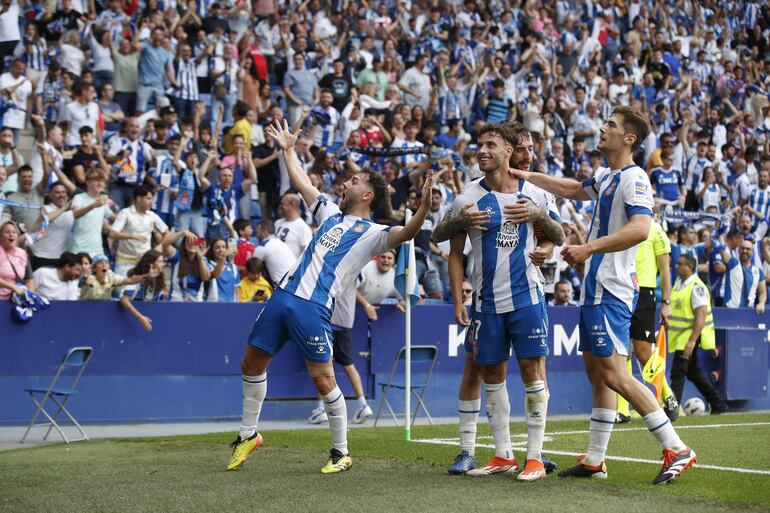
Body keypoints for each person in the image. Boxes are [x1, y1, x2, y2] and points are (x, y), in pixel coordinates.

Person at [227, 120, 435, 474]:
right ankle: (248, 435)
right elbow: (303, 182)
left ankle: (341, 452)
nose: (346, 182)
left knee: (324, 379)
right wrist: (288, 149)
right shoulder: (328, 213)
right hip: (282, 297)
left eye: (354, 181)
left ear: (367, 195)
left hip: (313, 307)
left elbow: (407, 232)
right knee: (250, 363)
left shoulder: (374, 233)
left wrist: (424, 208)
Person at [509, 106, 696, 485]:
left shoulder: (635, 177)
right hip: (597, 288)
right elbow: (572, 189)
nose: (603, 128)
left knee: (615, 374)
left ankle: (676, 447)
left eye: (611, 125)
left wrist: (589, 249)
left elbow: (642, 228)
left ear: (629, 138)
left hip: (612, 289)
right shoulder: (608, 176)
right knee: (598, 373)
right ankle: (595, 459)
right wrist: (526, 175)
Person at [433, 122, 564, 481]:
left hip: (527, 297)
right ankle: (503, 454)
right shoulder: (467, 197)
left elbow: (559, 234)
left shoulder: (535, 192)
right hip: (486, 303)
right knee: (491, 375)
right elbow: (449, 247)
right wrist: (459, 295)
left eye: (490, 144)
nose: (482, 149)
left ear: (508, 152)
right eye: (480, 144)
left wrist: (538, 219)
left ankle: (534, 458)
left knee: (532, 373)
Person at [615, 220, 678, 424]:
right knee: (622, 349)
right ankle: (623, 409)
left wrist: (666, 302)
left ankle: (667, 396)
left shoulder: (656, 229)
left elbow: (665, 270)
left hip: (644, 292)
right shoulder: (620, 223)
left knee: (643, 352)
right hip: (620, 289)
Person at [668, 254, 728, 414]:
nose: (676, 266)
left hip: (689, 338)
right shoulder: (678, 283)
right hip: (681, 337)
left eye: (679, 263)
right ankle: (718, 403)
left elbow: (701, 316)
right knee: (693, 372)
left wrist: (692, 341)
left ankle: (672, 409)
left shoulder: (697, 287)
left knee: (678, 372)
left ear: (690, 267)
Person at [307, 284, 374, 426]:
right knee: (348, 365)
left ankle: (322, 409)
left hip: (328, 320)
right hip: (344, 321)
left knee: (323, 365)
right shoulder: (354, 267)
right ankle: (362, 404)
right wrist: (366, 304)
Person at [120, 250, 168, 331]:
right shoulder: (136, 278)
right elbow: (124, 300)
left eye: (163, 262)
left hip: (149, 320)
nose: (163, 264)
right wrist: (140, 317)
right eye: (160, 262)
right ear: (151, 264)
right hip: (130, 319)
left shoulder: (160, 279)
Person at [79, 254, 155, 300]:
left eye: (106, 263)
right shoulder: (90, 278)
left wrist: (146, 276)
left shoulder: (112, 278)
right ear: (94, 268)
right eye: (100, 263)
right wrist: (85, 277)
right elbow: (85, 281)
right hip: (84, 308)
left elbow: (130, 280)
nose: (104, 265)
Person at [720, 240, 767, 314]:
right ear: (738, 250)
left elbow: (762, 292)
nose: (745, 251)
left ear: (752, 252)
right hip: (730, 310)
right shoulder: (733, 263)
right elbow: (721, 251)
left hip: (748, 311)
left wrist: (761, 303)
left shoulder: (758, 271)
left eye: (748, 249)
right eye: (742, 248)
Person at [251, 220, 295, 286]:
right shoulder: (280, 242)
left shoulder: (264, 246)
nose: (256, 232)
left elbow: (251, 267)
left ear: (264, 232)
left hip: (281, 285)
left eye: (259, 229)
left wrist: (237, 268)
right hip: (294, 280)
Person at [0, 220, 33, 300]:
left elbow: (29, 280)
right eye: (7, 232)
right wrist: (13, 287)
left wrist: (30, 296)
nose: (11, 235)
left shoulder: (23, 254)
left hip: (17, 300)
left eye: (14, 232)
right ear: (0, 236)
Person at [275, 193, 313, 258]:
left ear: (292, 205)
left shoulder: (303, 227)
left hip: (292, 266)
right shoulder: (277, 223)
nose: (280, 206)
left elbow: (307, 254)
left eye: (282, 204)